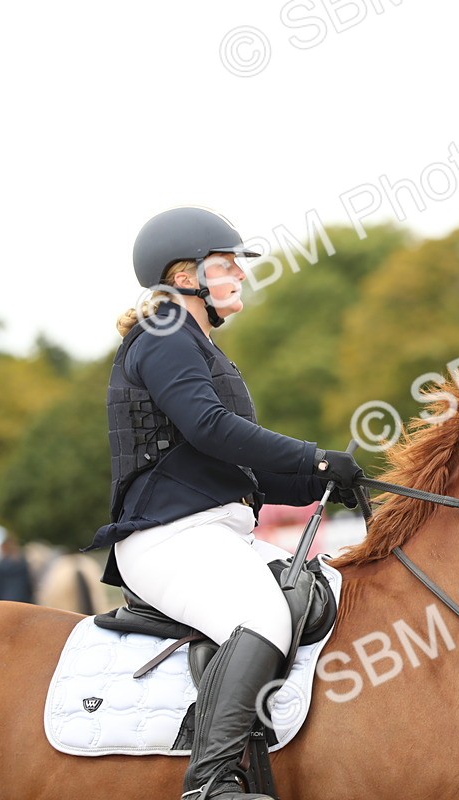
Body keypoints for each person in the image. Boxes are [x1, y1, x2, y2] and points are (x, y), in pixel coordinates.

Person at [84, 206, 362, 800]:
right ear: (184, 275)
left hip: (216, 531)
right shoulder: (162, 333)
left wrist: (325, 480)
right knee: (260, 617)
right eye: (226, 264)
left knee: (320, 596)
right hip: (168, 537)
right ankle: (209, 784)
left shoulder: (197, 346)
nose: (239, 274)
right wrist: (313, 456)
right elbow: (209, 427)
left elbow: (240, 471)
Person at [0, 535, 34, 603]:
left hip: (5, 600)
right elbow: (28, 584)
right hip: (22, 600)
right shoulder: (22, 563)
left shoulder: (0, 565)